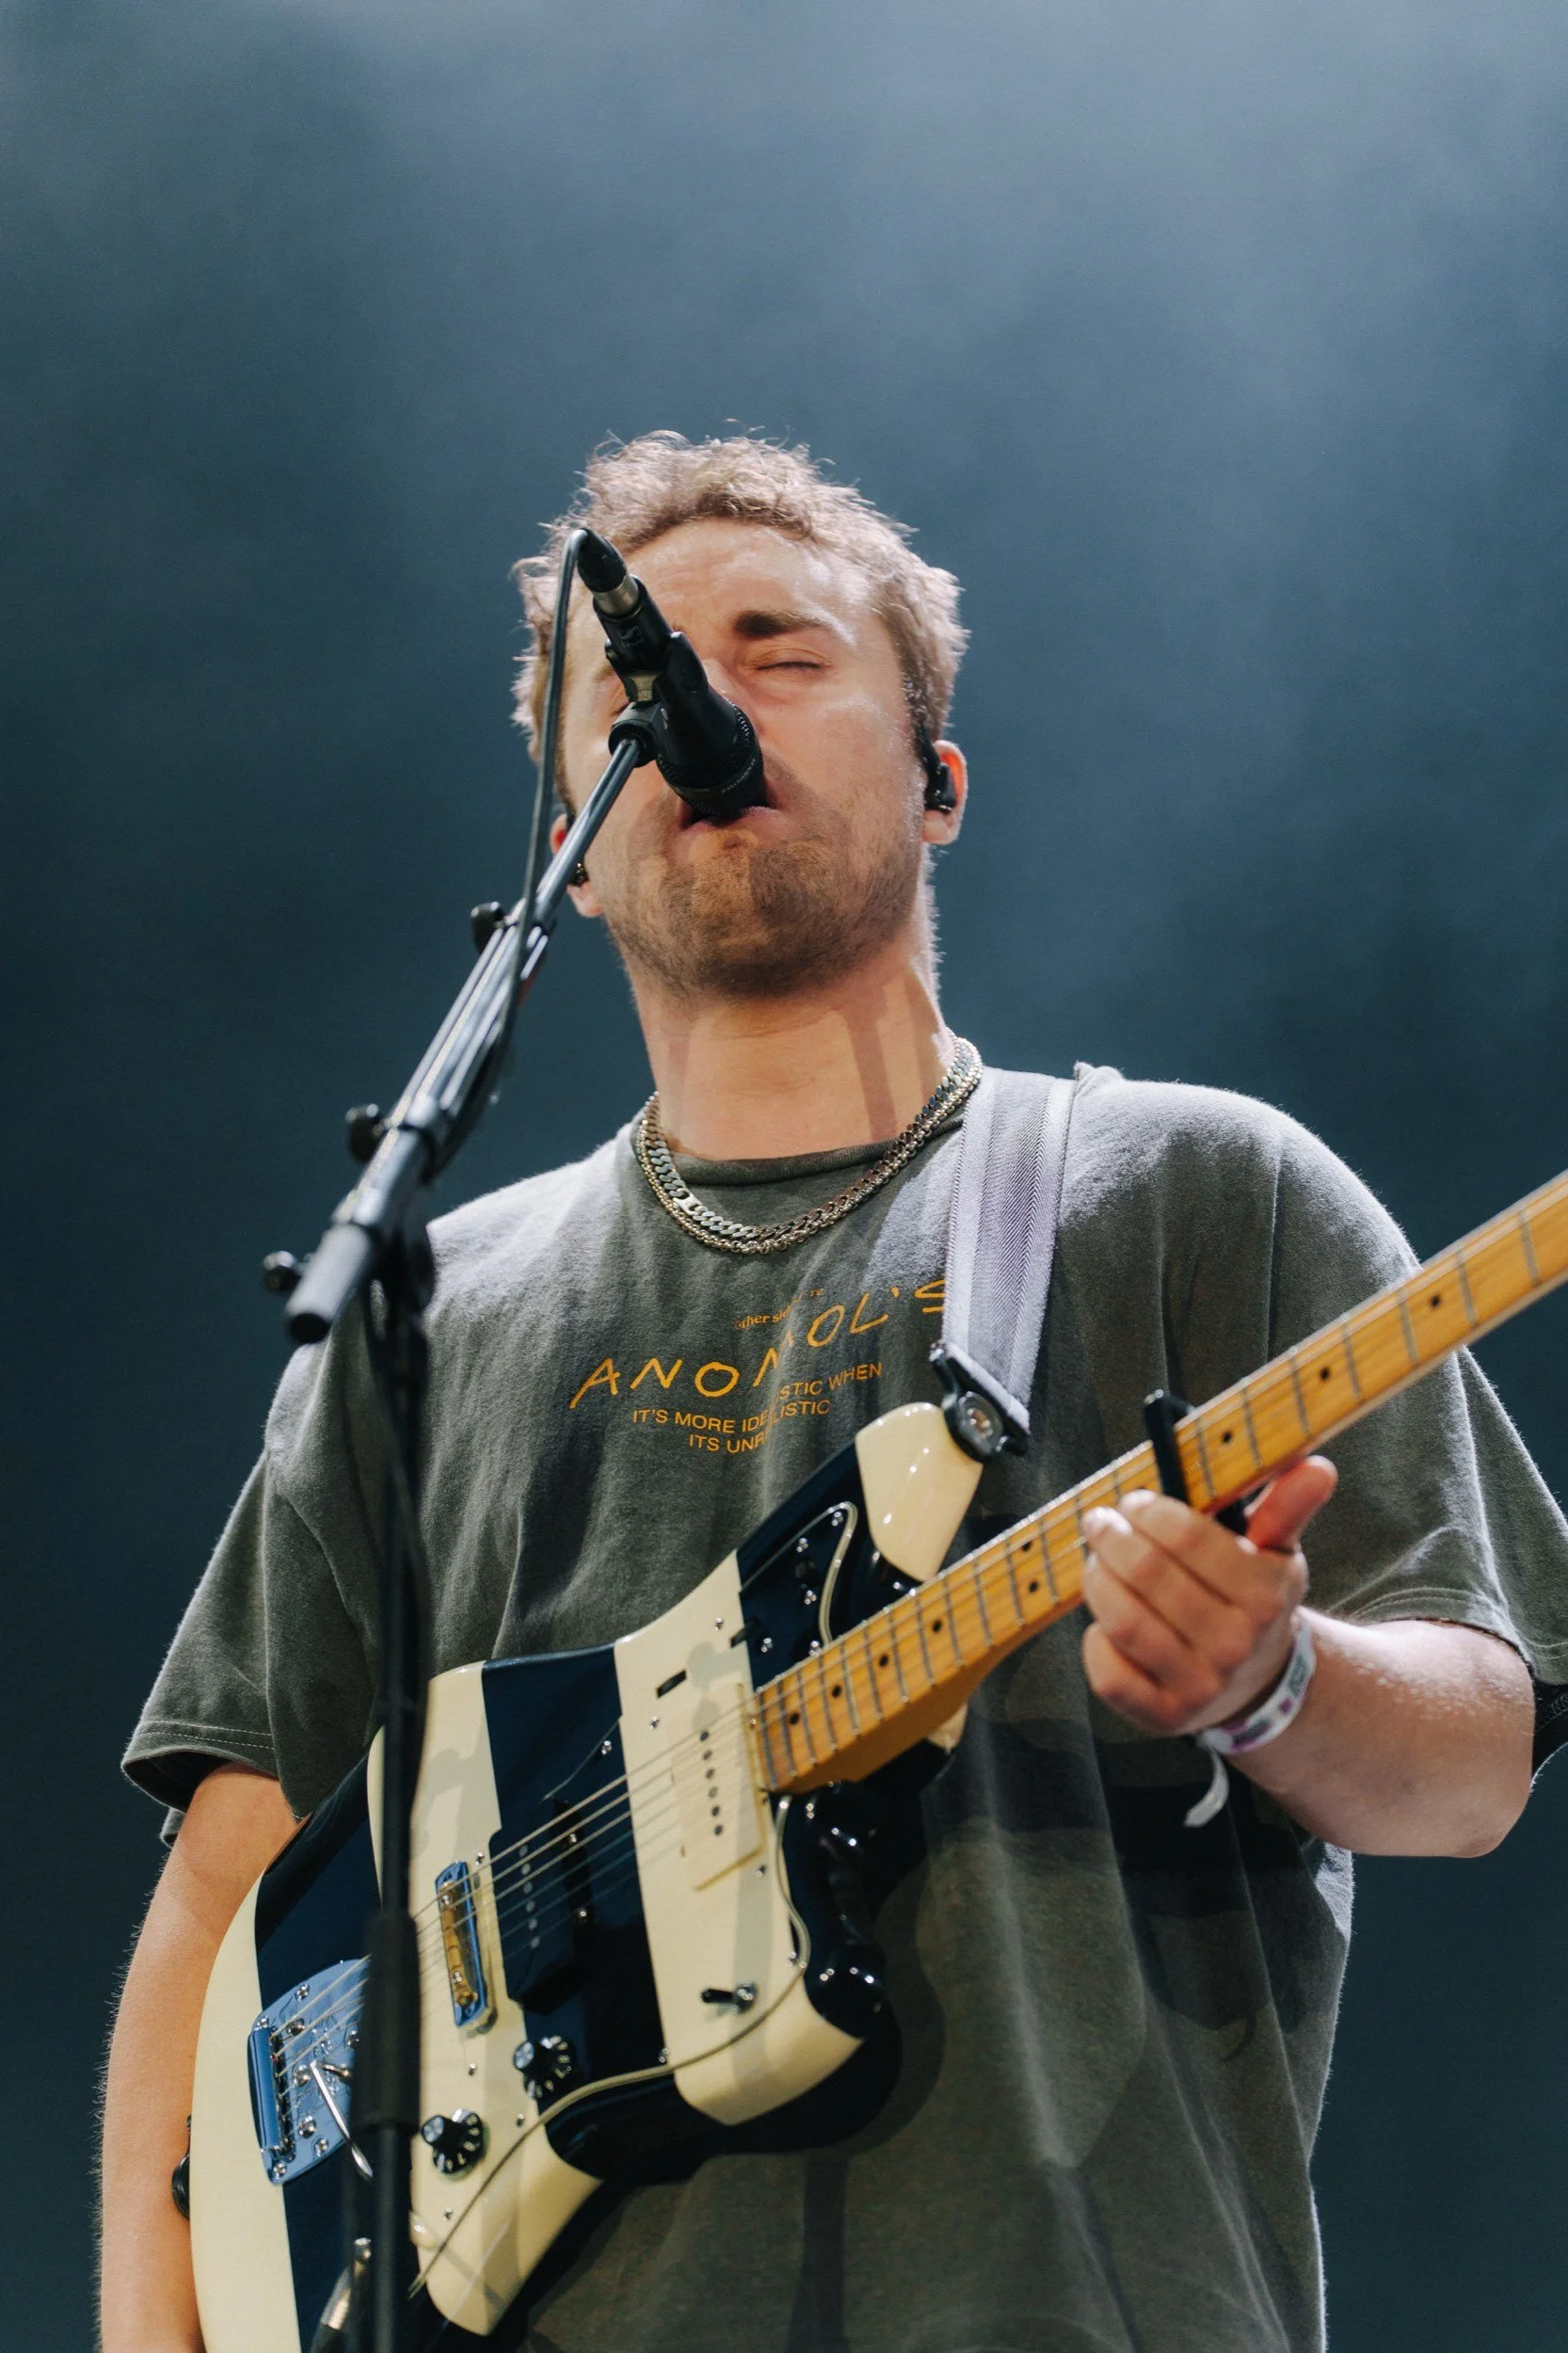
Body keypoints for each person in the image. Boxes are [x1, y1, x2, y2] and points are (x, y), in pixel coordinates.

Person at [103, 432, 1568, 2353]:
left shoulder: (1197, 1188)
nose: (694, 697)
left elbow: (1473, 1765)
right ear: (566, 830)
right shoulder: (433, 1307)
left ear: (937, 778)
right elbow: (231, 1882)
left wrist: (1267, 1681)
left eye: (778, 650)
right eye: (628, 693)